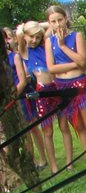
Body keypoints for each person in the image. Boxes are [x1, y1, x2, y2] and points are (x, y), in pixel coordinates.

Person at [44, 5, 86, 167]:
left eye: (60, 20)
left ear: (66, 19)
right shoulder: (49, 42)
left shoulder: (76, 36)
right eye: (53, 21)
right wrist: (75, 64)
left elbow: (83, 61)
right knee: (79, 126)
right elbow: (51, 68)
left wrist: (63, 46)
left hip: (80, 83)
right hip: (63, 86)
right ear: (49, 23)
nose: (57, 24)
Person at [16, 20, 73, 173]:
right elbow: (19, 33)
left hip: (57, 88)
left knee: (64, 126)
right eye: (31, 37)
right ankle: (53, 167)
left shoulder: (45, 45)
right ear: (25, 36)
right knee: (47, 131)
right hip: (42, 92)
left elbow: (50, 25)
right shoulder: (24, 51)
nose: (34, 40)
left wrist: (39, 28)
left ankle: (69, 163)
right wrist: (26, 28)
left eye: (38, 37)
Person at [5, 27, 46, 169]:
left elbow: (22, 80)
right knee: (21, 132)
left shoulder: (15, 56)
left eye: (8, 37)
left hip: (21, 96)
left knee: (32, 127)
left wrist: (12, 96)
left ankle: (42, 159)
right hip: (8, 101)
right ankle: (30, 161)